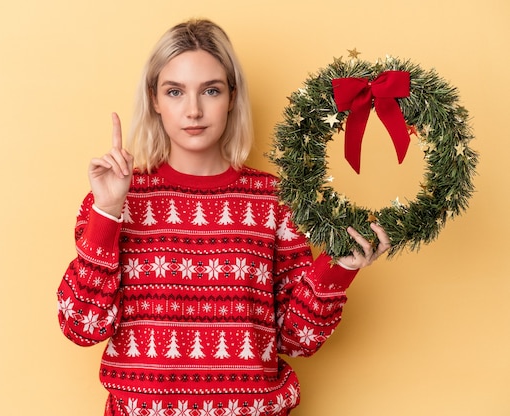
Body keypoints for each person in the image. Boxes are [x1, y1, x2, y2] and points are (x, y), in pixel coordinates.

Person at [57, 18, 390, 416]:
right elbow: (82, 325)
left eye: (210, 90)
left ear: (232, 96)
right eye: (175, 91)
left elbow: (297, 339)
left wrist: (339, 269)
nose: (193, 110)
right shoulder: (119, 198)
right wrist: (108, 212)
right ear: (154, 99)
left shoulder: (273, 200)